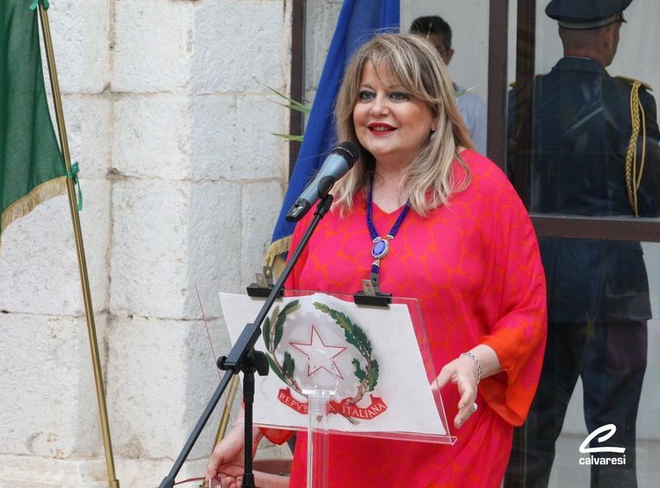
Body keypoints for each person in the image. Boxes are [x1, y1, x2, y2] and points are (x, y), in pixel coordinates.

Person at [206, 32, 547, 487]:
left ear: (434, 111)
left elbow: (527, 312)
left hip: (449, 442)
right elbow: (294, 331)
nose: (377, 108)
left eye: (398, 95)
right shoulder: (330, 199)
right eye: (366, 95)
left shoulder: (482, 190)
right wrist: (250, 430)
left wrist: (475, 361)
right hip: (339, 445)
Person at [504, 0, 660, 486]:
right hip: (612, 292)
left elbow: (505, 195)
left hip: (537, 289)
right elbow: (648, 199)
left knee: (532, 428)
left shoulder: (524, 99)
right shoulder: (632, 103)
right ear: (611, 33)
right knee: (609, 434)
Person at [410, 15, 488, 155]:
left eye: (435, 50)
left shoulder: (473, 107)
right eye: (419, 50)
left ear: (448, 55)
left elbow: (480, 160)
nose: (428, 59)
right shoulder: (396, 101)